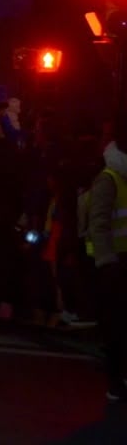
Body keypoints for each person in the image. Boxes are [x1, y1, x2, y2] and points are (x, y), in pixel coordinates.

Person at [82, 123, 127, 401]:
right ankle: (115, 379)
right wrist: (107, 262)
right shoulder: (109, 178)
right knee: (116, 325)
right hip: (116, 264)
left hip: (120, 262)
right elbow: (98, 223)